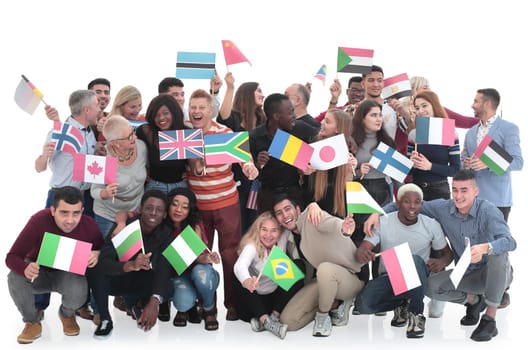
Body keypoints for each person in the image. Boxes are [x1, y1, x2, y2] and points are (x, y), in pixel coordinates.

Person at [364, 169, 517, 342]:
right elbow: (408, 204)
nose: (458, 196)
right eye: (455, 190)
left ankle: (490, 319)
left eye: (464, 190)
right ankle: (474, 300)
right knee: (430, 286)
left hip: (494, 272)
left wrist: (486, 247)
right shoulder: (444, 208)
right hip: (467, 274)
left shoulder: (488, 211)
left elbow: (510, 242)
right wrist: (376, 213)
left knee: (499, 254)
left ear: (476, 191)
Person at [186, 88, 259, 321]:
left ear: (211, 110)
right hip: (197, 207)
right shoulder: (184, 134)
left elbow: (245, 158)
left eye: (201, 108)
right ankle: (204, 304)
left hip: (226, 202)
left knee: (229, 254)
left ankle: (232, 304)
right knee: (198, 254)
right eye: (193, 107)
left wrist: (249, 166)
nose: (196, 111)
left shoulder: (224, 132)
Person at [6, 186, 104, 344]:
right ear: (52, 210)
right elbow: (11, 257)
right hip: (38, 272)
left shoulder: (89, 225)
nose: (70, 220)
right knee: (14, 276)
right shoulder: (38, 220)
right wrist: (25, 268)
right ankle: (32, 322)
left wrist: (98, 253)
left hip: (67, 274)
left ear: (82, 210)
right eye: (64, 212)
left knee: (80, 291)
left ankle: (67, 314)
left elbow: (103, 249)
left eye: (76, 213)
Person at [353, 184, 453, 338]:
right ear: (398, 203)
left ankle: (416, 315)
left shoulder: (431, 224)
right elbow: (362, 249)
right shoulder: (383, 222)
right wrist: (363, 253)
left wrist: (442, 263)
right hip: (390, 276)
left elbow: (448, 254)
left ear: (421, 204)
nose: (412, 206)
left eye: (417, 202)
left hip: (419, 276)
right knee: (363, 304)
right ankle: (402, 304)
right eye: (407, 202)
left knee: (411, 260)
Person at [34, 90, 100, 319]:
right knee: (48, 251)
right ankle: (38, 307)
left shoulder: (91, 133)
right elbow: (39, 167)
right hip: (59, 196)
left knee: (83, 251)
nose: (100, 109)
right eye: (97, 106)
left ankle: (77, 303)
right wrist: (44, 155)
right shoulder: (59, 132)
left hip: (85, 197)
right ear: (87, 110)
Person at [273, 195, 363, 337]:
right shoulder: (289, 238)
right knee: (289, 321)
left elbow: (332, 223)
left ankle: (323, 316)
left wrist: (344, 228)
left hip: (350, 277)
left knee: (325, 269)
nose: (284, 215)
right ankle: (332, 303)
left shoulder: (312, 217)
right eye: (279, 213)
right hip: (323, 280)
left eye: (287, 209)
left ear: (298, 209)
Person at [88, 189, 172, 338]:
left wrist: (154, 303)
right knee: (95, 268)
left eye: (159, 210)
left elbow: (164, 268)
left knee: (165, 281)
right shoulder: (126, 226)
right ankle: (105, 319)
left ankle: (137, 303)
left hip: (142, 282)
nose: (153, 213)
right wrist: (130, 265)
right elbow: (105, 261)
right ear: (140, 210)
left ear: (165, 214)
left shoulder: (165, 233)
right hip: (118, 279)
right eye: (148, 208)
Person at [233, 211, 300, 339]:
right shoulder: (252, 246)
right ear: (257, 231)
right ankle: (265, 321)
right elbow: (239, 266)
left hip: (273, 302)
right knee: (237, 276)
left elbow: (295, 222)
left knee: (298, 268)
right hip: (253, 304)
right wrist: (248, 281)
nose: (268, 235)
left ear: (280, 232)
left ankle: (273, 318)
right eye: (264, 230)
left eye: (274, 230)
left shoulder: (284, 237)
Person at [350, 99, 396, 284]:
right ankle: (359, 287)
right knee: (359, 240)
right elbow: (343, 174)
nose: (379, 119)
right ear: (362, 118)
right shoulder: (351, 141)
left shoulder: (387, 141)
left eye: (380, 115)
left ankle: (377, 289)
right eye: (373, 115)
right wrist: (358, 171)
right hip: (358, 191)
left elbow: (397, 175)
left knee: (380, 239)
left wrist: (399, 200)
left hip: (382, 191)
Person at [461, 88, 523, 223]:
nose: (472, 105)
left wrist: (488, 163)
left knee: (495, 242)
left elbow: (518, 162)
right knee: (475, 243)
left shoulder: (509, 128)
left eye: (476, 101)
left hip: (498, 200)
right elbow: (462, 160)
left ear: (487, 104)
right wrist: (465, 164)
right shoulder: (470, 132)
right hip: (473, 200)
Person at [249, 93, 317, 213]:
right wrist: (257, 164)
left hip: (294, 194)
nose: (294, 116)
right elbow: (249, 173)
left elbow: (321, 136)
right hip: (267, 197)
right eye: (290, 112)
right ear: (276, 116)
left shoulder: (300, 129)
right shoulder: (255, 136)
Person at [217, 73, 266, 233]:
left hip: (256, 185)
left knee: (254, 226)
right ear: (247, 93)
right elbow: (223, 116)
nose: (262, 95)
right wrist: (230, 87)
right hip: (236, 185)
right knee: (239, 227)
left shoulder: (262, 120)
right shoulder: (234, 119)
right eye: (258, 91)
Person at [167, 187, 221, 331]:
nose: (179, 209)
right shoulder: (162, 225)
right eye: (175, 204)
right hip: (178, 274)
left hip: (199, 268)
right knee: (182, 302)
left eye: (185, 207)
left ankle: (208, 308)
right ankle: (186, 308)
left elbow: (199, 258)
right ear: (168, 205)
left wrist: (208, 257)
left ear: (190, 210)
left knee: (201, 274)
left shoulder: (195, 226)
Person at [91, 115, 148, 238]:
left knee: (130, 253)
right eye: (129, 137)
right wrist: (105, 193)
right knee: (108, 252)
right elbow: (93, 191)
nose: (135, 137)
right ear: (116, 143)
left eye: (133, 131)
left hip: (134, 211)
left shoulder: (142, 147)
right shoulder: (103, 157)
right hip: (107, 215)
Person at [303, 109, 357, 218]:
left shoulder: (347, 152)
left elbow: (346, 189)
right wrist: (303, 170)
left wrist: (350, 171)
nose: (321, 122)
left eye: (327, 121)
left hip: (336, 211)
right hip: (312, 207)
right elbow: (301, 178)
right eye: (323, 119)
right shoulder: (311, 144)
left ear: (337, 129)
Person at [409, 90, 461, 200]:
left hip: (439, 191)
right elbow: (408, 172)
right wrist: (411, 164)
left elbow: (455, 170)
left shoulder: (449, 132)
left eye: (424, 106)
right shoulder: (413, 134)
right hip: (416, 191)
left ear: (434, 106)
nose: (420, 111)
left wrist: (430, 166)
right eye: (417, 108)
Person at [136, 94, 189, 194]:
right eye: (156, 115)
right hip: (154, 186)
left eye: (165, 113)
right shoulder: (144, 131)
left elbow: (195, 167)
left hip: (179, 187)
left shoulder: (186, 133)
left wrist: (192, 173)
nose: (161, 118)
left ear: (174, 113)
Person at [158, 74, 222, 122]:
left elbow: (210, 112)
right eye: (175, 95)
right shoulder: (155, 118)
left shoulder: (189, 115)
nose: (181, 99)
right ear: (162, 97)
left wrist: (215, 91)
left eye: (182, 95)